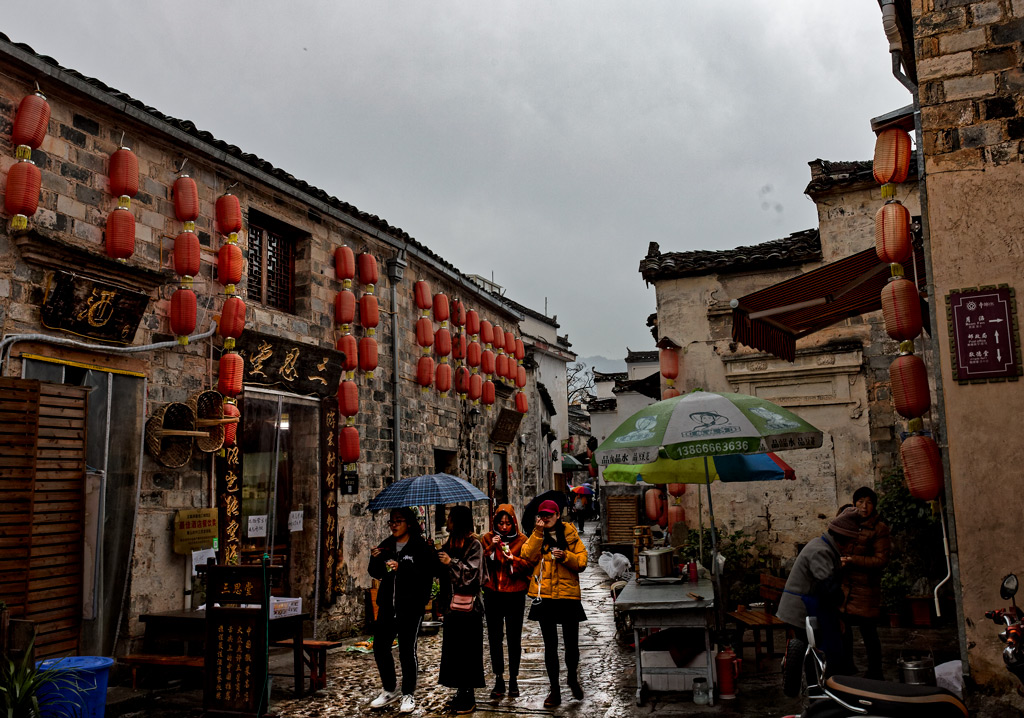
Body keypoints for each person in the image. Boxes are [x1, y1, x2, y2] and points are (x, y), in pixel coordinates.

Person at [368, 507, 437, 714]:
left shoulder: (420, 546)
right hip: (388, 605)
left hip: (410, 607)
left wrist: (403, 568)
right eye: (391, 522)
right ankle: (389, 689)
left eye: (398, 521)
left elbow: (427, 573)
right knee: (380, 648)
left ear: (408, 523)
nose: (394, 525)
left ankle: (408, 693)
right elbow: (376, 572)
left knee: (407, 651)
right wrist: (375, 558)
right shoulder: (387, 545)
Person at [520, 499, 588, 708]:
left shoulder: (569, 533)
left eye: (550, 514)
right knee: (550, 646)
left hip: (568, 596)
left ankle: (572, 678)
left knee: (571, 645)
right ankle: (554, 690)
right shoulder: (536, 535)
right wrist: (538, 534)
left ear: (558, 515)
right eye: (542, 514)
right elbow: (526, 555)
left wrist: (566, 556)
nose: (546, 517)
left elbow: (582, 561)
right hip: (545, 596)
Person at [776, 507, 861, 676]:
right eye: (852, 544)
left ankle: (822, 684)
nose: (851, 548)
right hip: (799, 610)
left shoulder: (825, 547)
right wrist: (839, 604)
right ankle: (817, 688)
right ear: (842, 540)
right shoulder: (820, 551)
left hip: (809, 607)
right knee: (813, 651)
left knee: (815, 648)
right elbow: (829, 588)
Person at [437, 505, 487, 714]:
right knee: (454, 652)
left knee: (468, 652)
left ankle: (469, 695)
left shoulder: (474, 544)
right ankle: (459, 691)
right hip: (452, 608)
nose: (446, 522)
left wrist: (451, 563)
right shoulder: (450, 543)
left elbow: (473, 574)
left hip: (469, 609)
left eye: (450, 518)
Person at [480, 503, 532, 700]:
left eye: (507, 523)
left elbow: (528, 566)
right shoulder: (486, 538)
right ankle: (499, 677)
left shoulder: (522, 541)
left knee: (514, 638)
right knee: (494, 638)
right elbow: (483, 564)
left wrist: (513, 560)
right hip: (493, 593)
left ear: (514, 523)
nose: (503, 527)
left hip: (514, 594)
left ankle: (514, 679)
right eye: (500, 523)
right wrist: (492, 547)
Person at [839, 486, 891, 679]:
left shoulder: (879, 529)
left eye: (868, 502)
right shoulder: (849, 523)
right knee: (843, 629)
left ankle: (875, 672)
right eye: (860, 502)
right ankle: (848, 666)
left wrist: (853, 560)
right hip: (846, 588)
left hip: (866, 589)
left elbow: (881, 560)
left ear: (874, 506)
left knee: (868, 631)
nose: (863, 506)